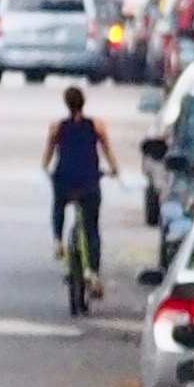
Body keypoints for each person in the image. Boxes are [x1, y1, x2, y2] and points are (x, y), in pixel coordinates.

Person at [41, 84, 109, 286]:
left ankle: (58, 239)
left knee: (59, 203)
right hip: (89, 181)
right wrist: (115, 170)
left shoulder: (57, 127)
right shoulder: (96, 125)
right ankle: (94, 273)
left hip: (65, 180)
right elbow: (108, 151)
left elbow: (48, 154)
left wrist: (44, 168)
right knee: (92, 228)